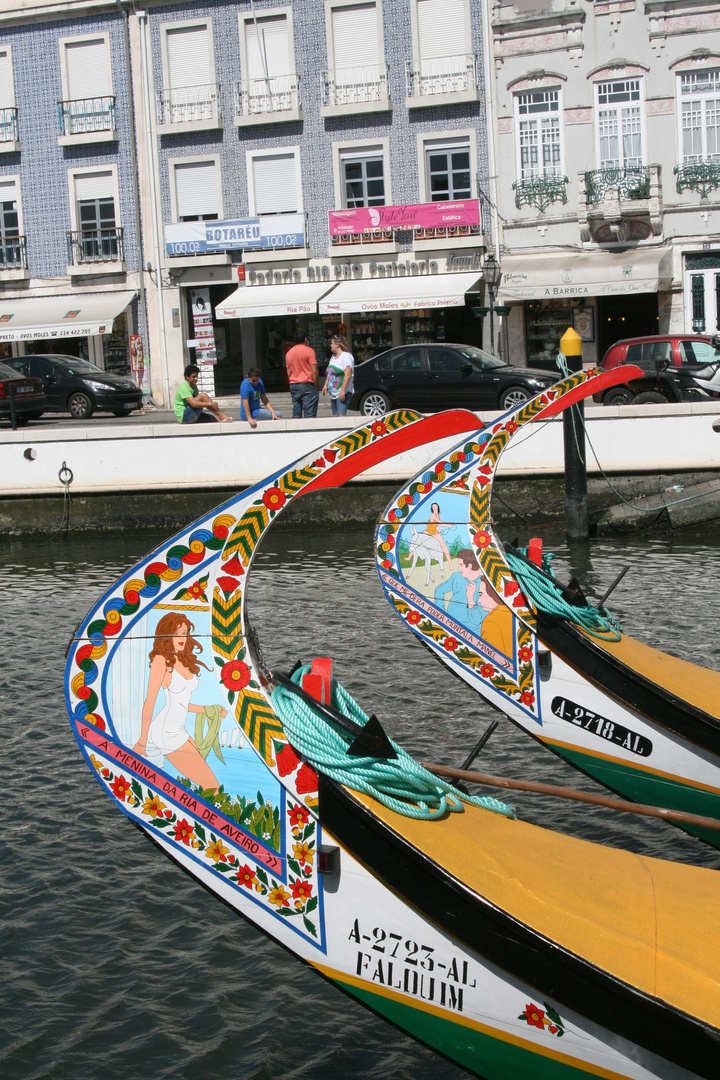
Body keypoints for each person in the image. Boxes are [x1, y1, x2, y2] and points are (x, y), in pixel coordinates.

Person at [132, 612, 226, 790]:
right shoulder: (162, 661)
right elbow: (150, 701)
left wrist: (208, 709)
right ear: (166, 636)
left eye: (184, 633)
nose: (182, 638)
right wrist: (142, 741)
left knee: (205, 781)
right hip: (166, 732)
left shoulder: (181, 660)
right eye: (177, 634)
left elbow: (181, 704)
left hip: (178, 729)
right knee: (211, 786)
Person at [433, 549, 486, 632]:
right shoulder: (456, 577)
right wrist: (441, 616)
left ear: (470, 566)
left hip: (472, 632)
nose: (458, 568)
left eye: (461, 565)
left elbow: (478, 619)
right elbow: (439, 590)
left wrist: (470, 598)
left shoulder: (484, 584)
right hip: (449, 626)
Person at [285, 329, 319, 418]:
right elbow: (314, 371)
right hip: (307, 384)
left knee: (296, 412)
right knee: (309, 414)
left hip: (294, 384)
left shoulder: (289, 353)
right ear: (305, 339)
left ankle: (295, 430)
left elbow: (288, 372)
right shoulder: (309, 351)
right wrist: (316, 385)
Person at [322, 335, 355, 416]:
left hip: (342, 391)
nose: (330, 345)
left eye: (332, 343)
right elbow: (330, 372)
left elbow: (347, 374)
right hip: (333, 392)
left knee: (341, 416)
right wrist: (325, 385)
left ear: (337, 344)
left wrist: (342, 391)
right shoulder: (333, 357)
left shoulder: (346, 356)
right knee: (335, 417)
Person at [423, 502, 453, 572]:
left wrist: (439, 529)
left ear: (438, 507)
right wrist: (448, 525)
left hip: (434, 532)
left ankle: (450, 563)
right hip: (428, 531)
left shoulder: (437, 515)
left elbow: (435, 525)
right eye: (433, 507)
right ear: (432, 508)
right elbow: (440, 523)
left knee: (443, 544)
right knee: (418, 540)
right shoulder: (433, 515)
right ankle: (410, 556)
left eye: (435, 506)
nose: (434, 508)